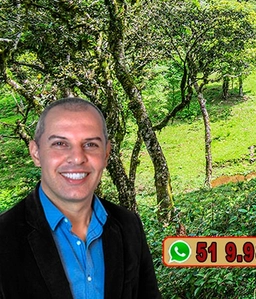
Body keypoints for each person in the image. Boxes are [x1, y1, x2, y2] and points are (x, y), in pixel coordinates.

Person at [0, 97, 162, 299]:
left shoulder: (128, 225)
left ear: (106, 154)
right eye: (60, 143)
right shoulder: (4, 236)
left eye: (91, 144)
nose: (77, 158)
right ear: (36, 153)